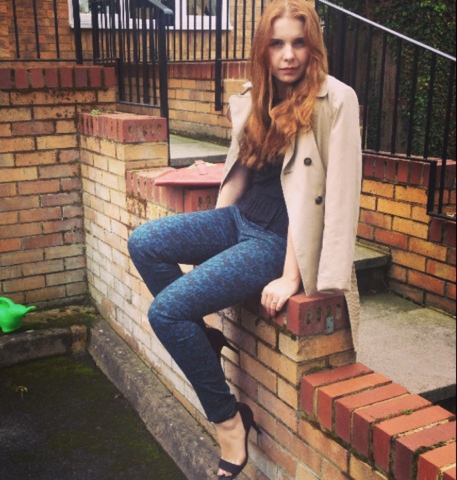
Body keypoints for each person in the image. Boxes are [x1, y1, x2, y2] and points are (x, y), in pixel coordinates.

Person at [127, 0, 362, 478]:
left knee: (166, 313)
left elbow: (334, 198)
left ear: (313, 46)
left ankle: (230, 421)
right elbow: (241, 172)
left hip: (278, 241)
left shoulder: (336, 100)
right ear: (263, 49)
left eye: (298, 43)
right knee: (145, 241)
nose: (288, 55)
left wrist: (293, 277)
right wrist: (215, 233)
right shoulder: (259, 95)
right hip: (240, 219)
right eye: (277, 44)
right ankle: (204, 339)